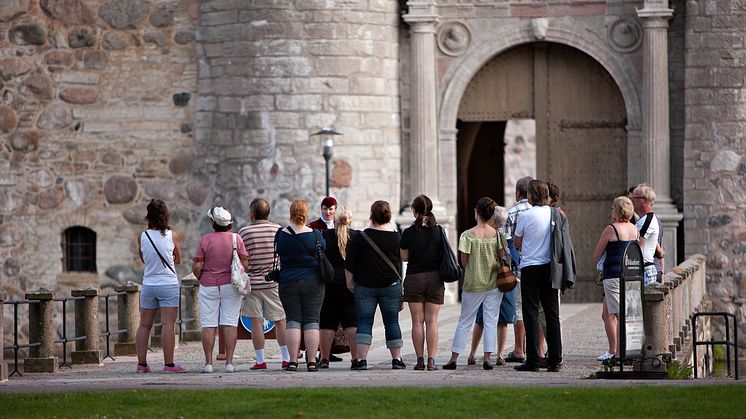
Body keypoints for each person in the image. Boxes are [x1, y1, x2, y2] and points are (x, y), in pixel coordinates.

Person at [443, 197, 505, 371]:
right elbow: (502, 256)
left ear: (476, 212)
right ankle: (487, 358)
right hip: (493, 283)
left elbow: (464, 261)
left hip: (472, 282)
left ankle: (454, 358)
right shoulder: (497, 235)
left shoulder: (467, 235)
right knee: (491, 320)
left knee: (465, 321)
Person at [345, 200, 405, 371]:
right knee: (392, 322)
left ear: (371, 214)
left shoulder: (360, 237)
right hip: (390, 285)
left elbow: (350, 264)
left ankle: (361, 360)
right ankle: (397, 359)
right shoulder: (396, 237)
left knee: (364, 322)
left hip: (364, 286)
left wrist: (349, 282)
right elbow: (399, 263)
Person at [513, 180, 562, 372]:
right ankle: (555, 359)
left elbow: (517, 242)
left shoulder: (525, 216)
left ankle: (533, 360)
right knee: (552, 313)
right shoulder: (554, 214)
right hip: (550, 266)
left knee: (531, 313)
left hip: (530, 267)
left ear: (531, 196)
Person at [192, 206, 247, 373]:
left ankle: (208, 363)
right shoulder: (236, 239)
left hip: (209, 284)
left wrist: (201, 277)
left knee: (208, 324)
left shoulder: (205, 240)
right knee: (230, 323)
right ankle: (229, 363)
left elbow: (196, 265)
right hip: (230, 284)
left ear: (213, 223)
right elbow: (245, 263)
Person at [238, 198, 290, 370]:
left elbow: (242, 258)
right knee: (280, 321)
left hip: (252, 284)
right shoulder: (278, 230)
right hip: (273, 283)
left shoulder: (244, 232)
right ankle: (286, 358)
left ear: (252, 214)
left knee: (256, 323)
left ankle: (260, 361)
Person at [135, 199, 186, 373]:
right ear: (165, 215)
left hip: (149, 284)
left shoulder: (142, 236)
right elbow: (178, 259)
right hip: (168, 284)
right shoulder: (172, 235)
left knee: (144, 325)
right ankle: (169, 364)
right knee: (167, 325)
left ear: (148, 216)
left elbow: (144, 259)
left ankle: (142, 364)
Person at [275, 199, 326, 372]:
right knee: (312, 321)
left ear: (291, 213)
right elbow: (323, 251)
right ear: (306, 213)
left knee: (293, 321)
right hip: (313, 282)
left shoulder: (281, 234)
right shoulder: (316, 235)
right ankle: (311, 361)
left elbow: (278, 253)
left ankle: (292, 361)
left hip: (288, 281)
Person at [400, 195, 444, 371]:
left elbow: (404, 257)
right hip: (435, 278)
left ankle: (420, 360)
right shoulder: (439, 230)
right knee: (432, 321)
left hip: (415, 277)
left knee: (417, 321)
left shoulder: (409, 232)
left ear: (414, 210)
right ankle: (432, 360)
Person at [467, 206, 514, 367]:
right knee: (500, 321)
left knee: (482, 320)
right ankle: (498, 354)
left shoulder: (495, 236)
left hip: (491, 282)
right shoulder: (506, 237)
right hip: (504, 282)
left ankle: (474, 354)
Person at [592, 196, 638, 361]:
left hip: (613, 275)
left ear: (617, 210)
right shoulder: (634, 229)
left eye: (613, 208)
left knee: (618, 314)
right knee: (607, 313)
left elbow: (597, 254)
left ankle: (618, 353)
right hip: (630, 275)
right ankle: (614, 350)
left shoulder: (611, 229)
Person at [319, 206, 358, 369]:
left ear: (334, 220)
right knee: (352, 322)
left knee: (327, 322)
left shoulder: (325, 235)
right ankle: (356, 359)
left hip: (329, 283)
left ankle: (324, 359)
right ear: (350, 221)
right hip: (351, 284)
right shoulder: (357, 237)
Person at [503, 176, 532, 364]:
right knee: (536, 307)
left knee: (520, 308)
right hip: (539, 266)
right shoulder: (544, 213)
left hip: (518, 268)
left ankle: (519, 349)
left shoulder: (511, 213)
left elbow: (506, 244)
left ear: (517, 194)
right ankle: (536, 348)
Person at [630, 184, 664, 286]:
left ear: (644, 200)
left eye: (635, 198)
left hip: (644, 270)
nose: (632, 201)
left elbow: (637, 246)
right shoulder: (645, 219)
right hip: (642, 269)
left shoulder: (648, 220)